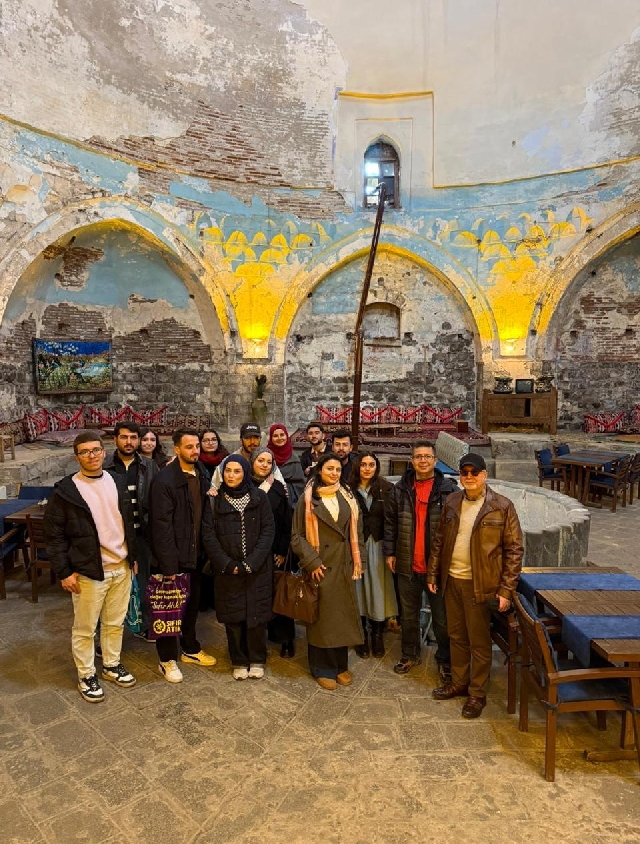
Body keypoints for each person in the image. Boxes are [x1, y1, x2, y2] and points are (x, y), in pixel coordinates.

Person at [43, 432, 138, 703]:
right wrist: (64, 572)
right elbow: (54, 535)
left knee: (114, 623)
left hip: (120, 566)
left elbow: (128, 521)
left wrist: (133, 557)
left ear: (104, 452)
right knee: (85, 629)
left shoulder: (117, 481)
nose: (92, 455)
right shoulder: (66, 491)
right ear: (76, 457)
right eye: (85, 452)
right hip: (89, 571)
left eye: (96, 450)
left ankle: (111, 664)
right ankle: (86, 675)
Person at [428, 453, 523, 719]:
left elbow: (514, 550)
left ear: (484, 475)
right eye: (464, 472)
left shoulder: (501, 506)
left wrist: (506, 589)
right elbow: (439, 540)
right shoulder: (452, 501)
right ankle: (459, 682)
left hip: (480, 584)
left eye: (474, 472)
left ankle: (477, 693)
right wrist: (433, 574)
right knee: (456, 636)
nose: (469, 477)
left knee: (478, 641)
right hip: (452, 580)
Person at [383, 440, 458, 679]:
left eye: (427, 456)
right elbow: (390, 523)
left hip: (436, 567)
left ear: (435, 460)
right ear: (411, 461)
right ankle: (410, 654)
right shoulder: (400, 489)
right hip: (407, 562)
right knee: (408, 615)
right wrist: (390, 552)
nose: (423, 460)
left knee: (442, 619)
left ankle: (445, 659)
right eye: (418, 456)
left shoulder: (448, 490)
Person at [290, 452, 365, 691]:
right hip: (320, 567)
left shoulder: (347, 496)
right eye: (329, 469)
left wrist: (359, 560)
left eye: (338, 470)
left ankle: (340, 665)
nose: (334, 473)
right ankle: (322, 668)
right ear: (320, 470)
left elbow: (357, 531)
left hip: (343, 566)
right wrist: (312, 562)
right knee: (321, 619)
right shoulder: (308, 498)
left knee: (341, 618)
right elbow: (296, 536)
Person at [149, 428, 217, 683]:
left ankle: (189, 648)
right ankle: (167, 659)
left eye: (197, 446)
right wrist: (168, 566)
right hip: (172, 558)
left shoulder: (202, 474)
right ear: (176, 449)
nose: (195, 451)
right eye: (189, 447)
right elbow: (161, 526)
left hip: (195, 555)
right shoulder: (165, 480)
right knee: (168, 608)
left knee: (191, 606)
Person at [202, 455, 275, 679]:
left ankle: (257, 658)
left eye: (237, 471)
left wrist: (251, 563)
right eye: (228, 471)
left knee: (256, 616)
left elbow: (268, 530)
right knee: (233, 617)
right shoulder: (214, 500)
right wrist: (227, 564)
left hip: (257, 569)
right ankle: (239, 659)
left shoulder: (260, 497)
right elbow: (208, 535)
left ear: (245, 473)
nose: (231, 476)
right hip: (227, 571)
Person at [104, 421, 158, 640]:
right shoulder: (104, 466)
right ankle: (108, 635)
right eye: (124, 437)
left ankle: (143, 625)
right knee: (110, 587)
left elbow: (157, 499)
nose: (129, 442)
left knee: (143, 583)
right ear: (115, 439)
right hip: (113, 537)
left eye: (133, 437)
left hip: (141, 535)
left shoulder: (149, 466)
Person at [348, 451, 398, 659]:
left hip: (378, 545)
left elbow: (392, 520)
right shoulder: (347, 489)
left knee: (378, 589)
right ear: (357, 466)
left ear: (376, 467)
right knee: (358, 590)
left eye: (371, 464)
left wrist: (391, 549)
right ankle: (361, 636)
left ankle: (377, 634)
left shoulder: (387, 488)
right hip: (356, 546)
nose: (367, 468)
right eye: (363, 464)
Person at [249, 446, 295, 657]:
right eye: (261, 460)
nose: (264, 465)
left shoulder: (277, 487)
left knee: (279, 596)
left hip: (274, 551)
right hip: (251, 551)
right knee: (257, 597)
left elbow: (286, 522)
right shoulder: (243, 485)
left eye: (269, 462)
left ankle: (285, 638)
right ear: (252, 462)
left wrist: (282, 550)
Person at [267, 423, 305, 506]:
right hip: (268, 501)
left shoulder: (294, 459)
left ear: (286, 436)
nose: (279, 438)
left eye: (282, 435)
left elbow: (300, 485)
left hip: (288, 503)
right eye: (275, 436)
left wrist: (286, 489)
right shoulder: (265, 456)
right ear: (271, 438)